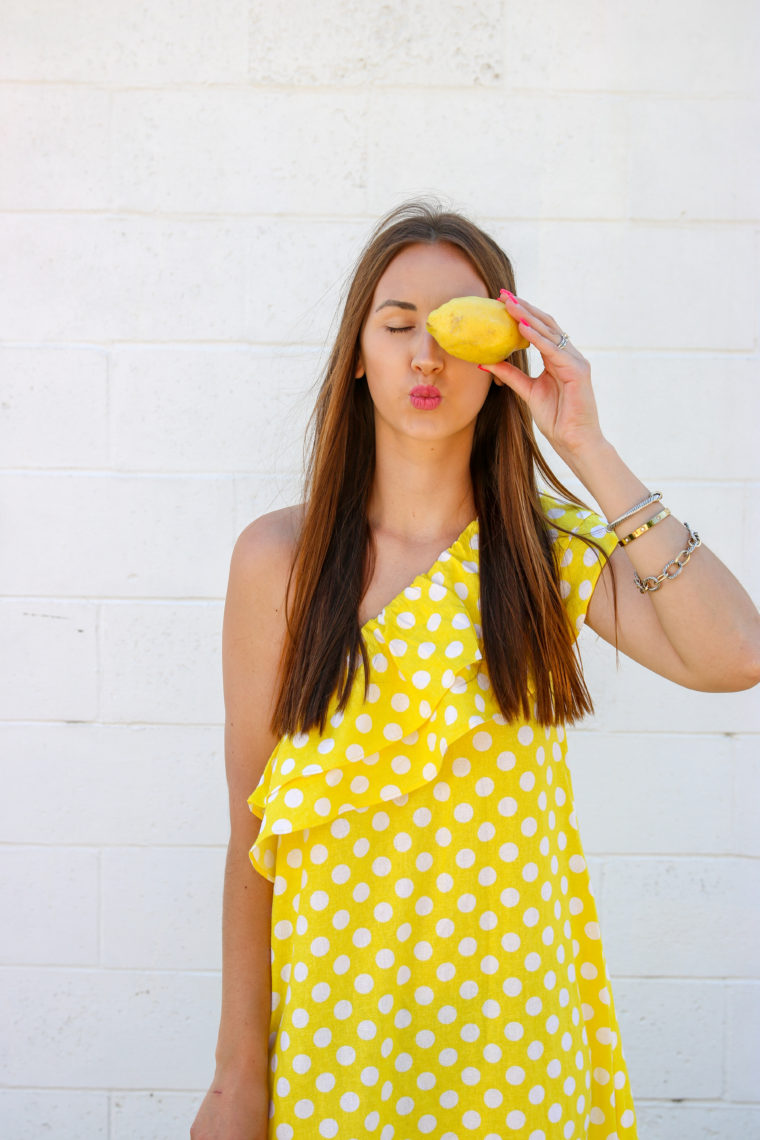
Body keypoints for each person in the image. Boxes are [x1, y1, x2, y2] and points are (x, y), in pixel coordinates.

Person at [190, 200, 760, 1140]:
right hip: (344, 1040)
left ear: (505, 357)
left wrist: (586, 445)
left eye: (458, 330)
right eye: (398, 324)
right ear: (357, 353)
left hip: (517, 1047)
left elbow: (736, 654)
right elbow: (252, 832)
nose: (426, 357)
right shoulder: (278, 560)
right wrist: (237, 1077)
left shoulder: (548, 551)